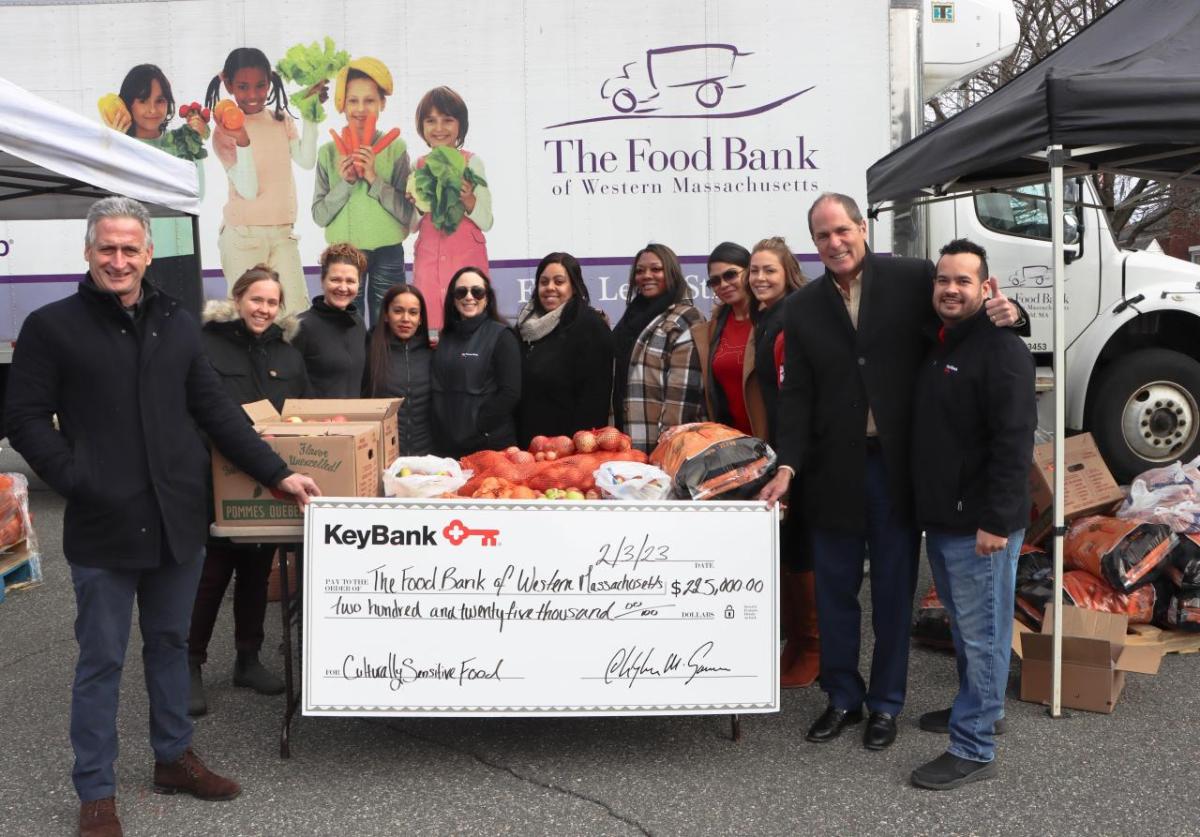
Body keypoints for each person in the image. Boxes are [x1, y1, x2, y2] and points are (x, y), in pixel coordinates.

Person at [3, 197, 319, 837]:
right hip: (104, 523)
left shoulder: (177, 323)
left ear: (149, 254)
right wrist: (74, 478)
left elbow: (217, 409)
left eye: (130, 249)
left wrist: (277, 473)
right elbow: (26, 419)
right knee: (101, 660)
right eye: (106, 248)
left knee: (171, 646)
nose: (118, 260)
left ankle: (173, 757)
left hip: (177, 518)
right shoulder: (51, 326)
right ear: (88, 253)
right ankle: (96, 791)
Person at [758, 193, 1024, 752]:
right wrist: (788, 465)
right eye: (823, 235)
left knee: (894, 593)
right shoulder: (802, 308)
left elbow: (964, 316)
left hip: (897, 470)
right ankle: (842, 697)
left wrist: (1013, 314)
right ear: (815, 243)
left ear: (862, 228)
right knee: (834, 593)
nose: (835, 242)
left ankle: (885, 705)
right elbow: (796, 396)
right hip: (831, 472)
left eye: (842, 230)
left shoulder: (912, 279)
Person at [909, 239, 1035, 790]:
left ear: (987, 288)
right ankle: (979, 709)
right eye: (943, 280)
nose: (950, 289)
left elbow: (1014, 443)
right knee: (970, 629)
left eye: (964, 280)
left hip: (980, 523)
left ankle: (974, 745)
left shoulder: (1001, 350)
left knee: (982, 632)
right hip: (945, 518)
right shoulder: (942, 343)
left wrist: (996, 521)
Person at [188, 264, 311, 717]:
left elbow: (302, 414)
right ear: (238, 298)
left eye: (272, 302)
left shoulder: (288, 354)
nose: (263, 309)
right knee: (211, 575)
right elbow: (196, 412)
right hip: (215, 477)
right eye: (256, 299)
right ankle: (190, 665)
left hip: (270, 479)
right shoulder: (205, 346)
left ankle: (247, 658)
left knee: (258, 572)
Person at [747, 236, 815, 689]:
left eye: (768, 270)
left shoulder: (790, 317)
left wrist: (789, 460)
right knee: (787, 548)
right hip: (777, 449)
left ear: (787, 273)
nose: (759, 278)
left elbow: (795, 398)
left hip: (800, 452)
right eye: (754, 271)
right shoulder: (766, 317)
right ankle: (796, 641)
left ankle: (814, 646)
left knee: (803, 546)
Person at [205, 47, 322, 313]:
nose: (253, 95)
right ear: (229, 85)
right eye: (243, 87)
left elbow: (306, 160)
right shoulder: (224, 133)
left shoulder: (280, 120)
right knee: (249, 319)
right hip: (243, 238)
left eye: (260, 85)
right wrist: (242, 140)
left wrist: (310, 113)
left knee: (294, 315)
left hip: (283, 235)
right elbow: (248, 190)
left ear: (269, 82)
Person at [312, 57, 415, 326]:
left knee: (389, 324)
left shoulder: (397, 148)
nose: (360, 109)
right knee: (345, 325)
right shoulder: (328, 152)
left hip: (388, 249)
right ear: (342, 104)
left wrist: (373, 178)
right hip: (343, 255)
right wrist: (345, 183)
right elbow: (319, 216)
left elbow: (406, 214)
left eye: (369, 100)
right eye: (353, 101)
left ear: (382, 103)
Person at [100, 64, 208, 313]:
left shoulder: (180, 141)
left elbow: (196, 193)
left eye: (160, 101)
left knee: (184, 330)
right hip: (132, 255)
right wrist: (114, 147)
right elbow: (111, 203)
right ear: (128, 103)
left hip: (181, 254)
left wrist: (195, 143)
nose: (152, 109)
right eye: (142, 100)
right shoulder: (116, 143)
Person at [410, 87, 493, 333]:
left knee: (468, 322)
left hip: (466, 258)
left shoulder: (472, 162)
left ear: (461, 125)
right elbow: (411, 225)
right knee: (431, 326)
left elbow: (487, 220)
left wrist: (468, 200)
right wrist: (415, 203)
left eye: (447, 120)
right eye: (431, 121)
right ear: (421, 127)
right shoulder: (418, 165)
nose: (439, 128)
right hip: (428, 261)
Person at [611, 243, 706, 454]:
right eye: (640, 271)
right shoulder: (630, 318)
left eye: (656, 269)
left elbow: (682, 397)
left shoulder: (686, 318)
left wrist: (666, 448)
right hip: (626, 441)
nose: (646, 275)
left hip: (663, 446)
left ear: (671, 272)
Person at [515, 252, 614, 447]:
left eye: (559, 282)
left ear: (574, 287)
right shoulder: (525, 326)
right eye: (544, 282)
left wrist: (576, 446)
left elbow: (595, 398)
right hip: (529, 445)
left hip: (568, 450)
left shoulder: (589, 326)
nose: (550, 287)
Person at [431, 267, 520, 458]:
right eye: (461, 291)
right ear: (453, 299)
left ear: (487, 298)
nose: (469, 297)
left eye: (477, 291)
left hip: (489, 446)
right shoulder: (445, 337)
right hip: (448, 447)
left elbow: (510, 393)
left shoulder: (502, 336)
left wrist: (479, 426)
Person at [691, 242, 765, 438]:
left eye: (730, 275)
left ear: (749, 272)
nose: (723, 285)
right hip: (732, 445)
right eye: (715, 281)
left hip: (773, 440)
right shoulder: (711, 330)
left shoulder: (772, 320)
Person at [364, 283, 435, 456]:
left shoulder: (433, 354)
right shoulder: (369, 351)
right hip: (382, 455)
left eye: (413, 312)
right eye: (398, 311)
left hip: (427, 457)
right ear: (386, 315)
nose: (405, 319)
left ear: (421, 319)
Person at [294, 243, 369, 396]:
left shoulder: (358, 324)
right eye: (335, 280)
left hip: (355, 419)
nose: (343, 287)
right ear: (322, 281)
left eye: (350, 281)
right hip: (315, 419)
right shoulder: (301, 327)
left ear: (359, 284)